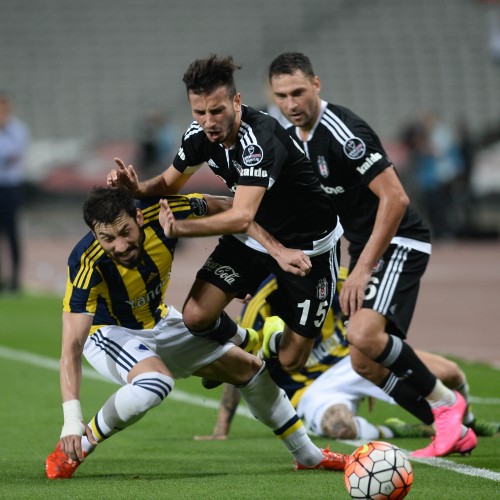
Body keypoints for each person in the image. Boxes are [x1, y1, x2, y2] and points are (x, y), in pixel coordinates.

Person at [44, 187, 348, 479]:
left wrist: (262, 259)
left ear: (138, 217)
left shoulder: (164, 213)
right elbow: (71, 348)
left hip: (160, 320)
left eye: (125, 232)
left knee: (251, 370)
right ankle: (77, 446)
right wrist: (71, 419)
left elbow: (232, 208)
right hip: (108, 332)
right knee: (155, 382)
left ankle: (308, 457)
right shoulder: (86, 261)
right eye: (107, 239)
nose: (120, 246)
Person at [265, 52, 475, 458]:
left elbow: (396, 199)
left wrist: (361, 269)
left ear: (316, 85)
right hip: (366, 248)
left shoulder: (344, 132)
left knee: (363, 334)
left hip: (401, 240)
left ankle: (447, 403)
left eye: (298, 92)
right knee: (364, 362)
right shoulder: (293, 139)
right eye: (281, 96)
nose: (291, 104)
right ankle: (454, 430)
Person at [107, 54, 343, 375]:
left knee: (291, 360)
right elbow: (167, 183)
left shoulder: (260, 139)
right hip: (254, 236)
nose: (208, 121)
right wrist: (137, 188)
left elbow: (241, 216)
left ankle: (276, 330)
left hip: (306, 247)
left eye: (217, 110)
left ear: (236, 101)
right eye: (199, 112)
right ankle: (249, 341)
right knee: (195, 317)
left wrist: (182, 228)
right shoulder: (199, 135)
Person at [195, 269, 494, 445]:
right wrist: (222, 427)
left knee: (451, 374)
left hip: (352, 360)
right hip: (311, 390)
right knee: (341, 428)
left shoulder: (331, 277)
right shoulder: (259, 309)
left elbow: (373, 319)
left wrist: (374, 360)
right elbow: (242, 366)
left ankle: (468, 422)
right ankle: (395, 429)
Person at [0, 91, 29, 293]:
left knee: (12, 234)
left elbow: (14, 154)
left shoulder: (18, 130)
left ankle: (15, 280)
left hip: (11, 188)